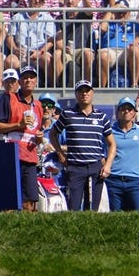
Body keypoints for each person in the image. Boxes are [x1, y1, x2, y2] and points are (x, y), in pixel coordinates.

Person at [50, 80, 115, 211]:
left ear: (92, 93)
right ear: (76, 94)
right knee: (73, 207)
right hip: (75, 166)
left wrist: (107, 165)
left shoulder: (101, 116)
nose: (84, 94)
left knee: (93, 208)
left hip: (96, 167)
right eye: (81, 91)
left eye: (87, 91)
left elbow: (112, 144)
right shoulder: (67, 114)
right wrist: (60, 153)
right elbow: (53, 134)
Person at [0, 65, 47, 211]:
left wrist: (40, 137)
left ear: (36, 81)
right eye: (25, 77)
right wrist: (18, 124)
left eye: (31, 77)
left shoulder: (39, 106)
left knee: (30, 201)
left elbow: (35, 132)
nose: (28, 80)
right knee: (9, 200)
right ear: (19, 81)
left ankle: (27, 232)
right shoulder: (9, 98)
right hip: (10, 153)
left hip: (30, 155)